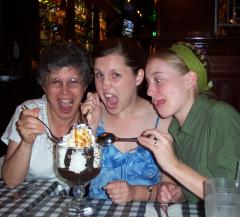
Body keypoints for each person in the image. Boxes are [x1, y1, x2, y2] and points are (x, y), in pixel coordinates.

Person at [138, 41, 240, 204]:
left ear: (189, 80)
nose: (149, 91)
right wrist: (179, 193)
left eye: (158, 80)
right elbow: (197, 189)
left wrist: (173, 165)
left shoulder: (220, 116)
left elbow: (230, 197)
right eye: (148, 84)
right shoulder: (174, 128)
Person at [81, 38, 171, 204]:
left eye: (115, 75)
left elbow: (171, 191)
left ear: (138, 77)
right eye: (99, 75)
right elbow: (79, 182)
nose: (105, 85)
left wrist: (135, 192)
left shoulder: (163, 119)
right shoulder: (91, 115)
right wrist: (90, 130)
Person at [1, 42, 92, 188]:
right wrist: (26, 142)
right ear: (44, 87)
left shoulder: (91, 117)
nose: (65, 91)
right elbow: (11, 181)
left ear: (85, 87)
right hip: (29, 202)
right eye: (56, 82)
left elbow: (87, 179)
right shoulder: (28, 113)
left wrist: (91, 127)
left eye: (73, 81)